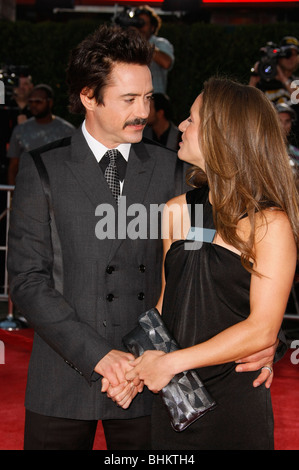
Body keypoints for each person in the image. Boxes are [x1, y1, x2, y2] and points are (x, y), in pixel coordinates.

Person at [8, 25, 280, 451]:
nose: (144, 111)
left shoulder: (175, 170)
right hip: (63, 373)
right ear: (88, 97)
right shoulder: (44, 168)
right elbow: (27, 280)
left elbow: (231, 264)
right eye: (129, 99)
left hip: (153, 380)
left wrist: (266, 342)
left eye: (148, 97)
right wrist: (98, 355)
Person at [125, 78, 299, 450]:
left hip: (233, 404)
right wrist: (137, 364)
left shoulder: (270, 223)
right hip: (175, 402)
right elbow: (166, 305)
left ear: (225, 134)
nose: (182, 127)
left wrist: (171, 364)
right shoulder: (175, 211)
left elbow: (261, 331)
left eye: (192, 119)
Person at [7, 84, 75, 185]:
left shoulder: (67, 131)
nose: (33, 105)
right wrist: (12, 194)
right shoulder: (20, 130)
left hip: (57, 193)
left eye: (38, 101)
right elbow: (13, 166)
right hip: (27, 192)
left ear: (50, 102)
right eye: (30, 101)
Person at [136, 5, 174, 93]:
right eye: (138, 23)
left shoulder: (160, 43)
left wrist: (141, 42)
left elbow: (166, 62)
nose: (140, 27)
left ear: (152, 27)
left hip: (156, 99)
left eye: (143, 23)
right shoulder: (129, 43)